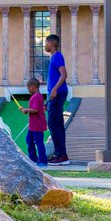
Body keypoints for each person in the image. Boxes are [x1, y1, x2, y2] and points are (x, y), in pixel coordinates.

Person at [43, 34, 70, 166]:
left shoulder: (57, 56)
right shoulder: (53, 57)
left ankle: (60, 155)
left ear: (51, 43)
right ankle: (61, 154)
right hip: (55, 94)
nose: (45, 45)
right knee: (56, 124)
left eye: (46, 43)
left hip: (58, 94)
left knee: (53, 124)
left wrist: (54, 89)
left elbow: (64, 75)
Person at [20, 78, 48, 167]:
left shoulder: (36, 96)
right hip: (33, 125)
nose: (28, 90)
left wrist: (25, 110)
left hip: (37, 125)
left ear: (33, 87)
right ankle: (33, 159)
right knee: (29, 140)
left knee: (39, 142)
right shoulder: (36, 96)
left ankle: (43, 161)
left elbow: (35, 110)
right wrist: (25, 110)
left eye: (28, 88)